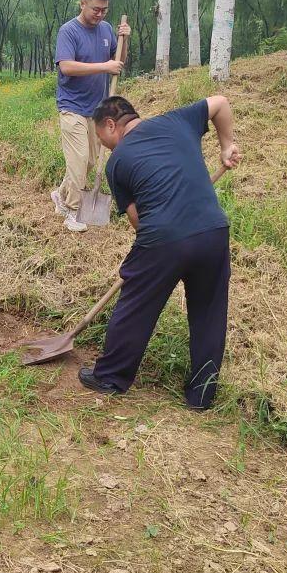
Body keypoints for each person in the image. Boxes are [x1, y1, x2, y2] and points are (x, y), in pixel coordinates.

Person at [77, 94, 242, 410]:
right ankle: (201, 396)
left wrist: (146, 265)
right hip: (213, 231)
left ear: (111, 124)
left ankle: (110, 377)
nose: (106, 147)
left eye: (102, 139)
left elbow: (139, 222)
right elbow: (220, 103)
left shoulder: (118, 162)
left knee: (136, 305)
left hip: (165, 238)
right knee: (209, 313)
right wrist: (226, 146)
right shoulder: (178, 120)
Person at [50, 0, 131, 232]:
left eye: (104, 10)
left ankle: (61, 195)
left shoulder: (106, 29)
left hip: (96, 110)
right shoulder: (69, 31)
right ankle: (73, 211)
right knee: (79, 159)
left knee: (89, 161)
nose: (100, 15)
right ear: (83, 3)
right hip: (72, 106)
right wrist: (104, 66)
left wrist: (124, 40)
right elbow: (67, 66)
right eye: (96, 9)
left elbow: (119, 61)